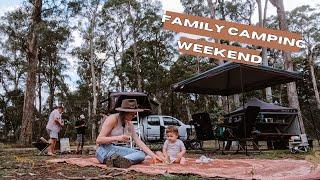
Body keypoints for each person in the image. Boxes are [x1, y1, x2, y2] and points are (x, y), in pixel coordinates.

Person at [96, 99, 164, 168]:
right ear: (125, 112)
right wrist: (118, 138)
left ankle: (116, 161)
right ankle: (117, 160)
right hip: (103, 150)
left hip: (113, 150)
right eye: (132, 114)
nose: (133, 116)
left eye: (134, 114)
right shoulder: (113, 119)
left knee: (141, 154)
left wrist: (153, 155)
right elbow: (99, 140)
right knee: (135, 156)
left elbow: (139, 142)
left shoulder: (129, 124)